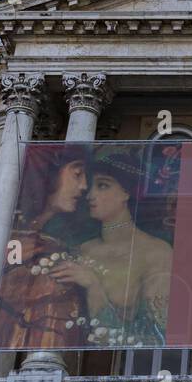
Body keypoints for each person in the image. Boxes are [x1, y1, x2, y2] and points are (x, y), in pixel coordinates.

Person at [44, 146, 173, 348]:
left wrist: (94, 286)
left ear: (126, 192)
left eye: (103, 186)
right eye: (90, 187)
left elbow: (155, 339)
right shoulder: (79, 250)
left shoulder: (156, 253)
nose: (90, 195)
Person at [0, 147, 91, 350]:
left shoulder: (50, 243)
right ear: (49, 173)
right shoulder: (14, 238)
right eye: (77, 174)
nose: (84, 186)